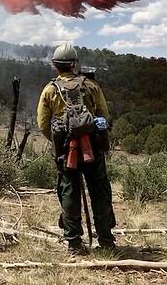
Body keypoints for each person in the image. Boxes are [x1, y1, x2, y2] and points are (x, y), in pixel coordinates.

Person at [37, 43, 116, 255]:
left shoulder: (50, 90)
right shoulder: (91, 86)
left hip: (65, 152)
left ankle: (73, 242)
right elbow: (104, 116)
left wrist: (60, 143)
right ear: (74, 63)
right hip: (94, 151)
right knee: (100, 192)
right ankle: (106, 241)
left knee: (69, 192)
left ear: (55, 65)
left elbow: (43, 125)